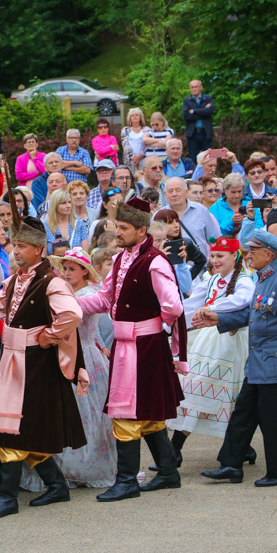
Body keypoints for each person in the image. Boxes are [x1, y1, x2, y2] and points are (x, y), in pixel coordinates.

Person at [0, 212, 87, 518]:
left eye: (22, 246)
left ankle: (8, 497)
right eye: (15, 245)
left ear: (38, 249)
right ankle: (56, 486)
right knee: (20, 427)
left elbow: (72, 315)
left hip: (35, 365)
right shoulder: (14, 280)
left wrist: (49, 337)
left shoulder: (52, 283)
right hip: (13, 361)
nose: (15, 250)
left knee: (13, 428)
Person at [77, 198, 187, 501]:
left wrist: (149, 329)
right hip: (131, 346)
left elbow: (173, 306)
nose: (118, 233)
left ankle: (126, 481)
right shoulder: (123, 258)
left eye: (123, 228)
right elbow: (103, 299)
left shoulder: (154, 260)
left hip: (143, 346)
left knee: (126, 411)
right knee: (148, 412)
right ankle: (168, 473)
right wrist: (69, 303)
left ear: (141, 230)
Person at [201, 230, 277, 486]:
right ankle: (231, 465)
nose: (248, 255)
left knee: (269, 417)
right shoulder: (263, 278)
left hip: (276, 362)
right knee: (243, 412)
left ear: (269, 254)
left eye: (253, 251)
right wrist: (219, 319)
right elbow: (252, 315)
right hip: (260, 362)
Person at [168, 236, 255, 461]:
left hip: (231, 343)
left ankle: (175, 449)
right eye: (213, 256)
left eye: (220, 256)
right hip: (207, 343)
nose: (215, 260)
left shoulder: (244, 280)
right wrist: (167, 319)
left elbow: (244, 300)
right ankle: (175, 449)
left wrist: (213, 308)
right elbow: (189, 306)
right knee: (194, 390)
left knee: (217, 393)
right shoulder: (211, 280)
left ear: (235, 256)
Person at [40, 247, 116, 488]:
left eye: (72, 268)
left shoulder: (89, 294)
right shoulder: (67, 293)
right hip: (67, 357)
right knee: (69, 413)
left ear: (85, 271)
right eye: (64, 268)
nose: (66, 272)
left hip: (86, 359)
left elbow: (72, 314)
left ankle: (87, 466)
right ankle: (66, 468)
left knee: (90, 415)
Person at [159, 177, 221, 258]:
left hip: (200, 266)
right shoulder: (159, 216)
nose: (174, 194)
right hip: (171, 268)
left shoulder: (201, 210)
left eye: (178, 190)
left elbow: (215, 240)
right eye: (170, 191)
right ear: (165, 194)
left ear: (186, 192)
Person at [43, 189, 89, 254]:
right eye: (63, 203)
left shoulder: (79, 224)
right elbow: (43, 256)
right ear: (55, 205)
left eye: (69, 202)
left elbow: (85, 253)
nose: (68, 206)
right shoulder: (45, 226)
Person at [183, 79, 215, 163]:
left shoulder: (207, 98)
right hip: (193, 133)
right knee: (193, 158)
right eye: (192, 87)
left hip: (206, 132)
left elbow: (210, 112)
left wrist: (194, 111)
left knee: (208, 157)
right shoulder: (187, 100)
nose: (194, 89)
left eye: (196, 87)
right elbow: (186, 116)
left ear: (201, 87)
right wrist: (203, 111)